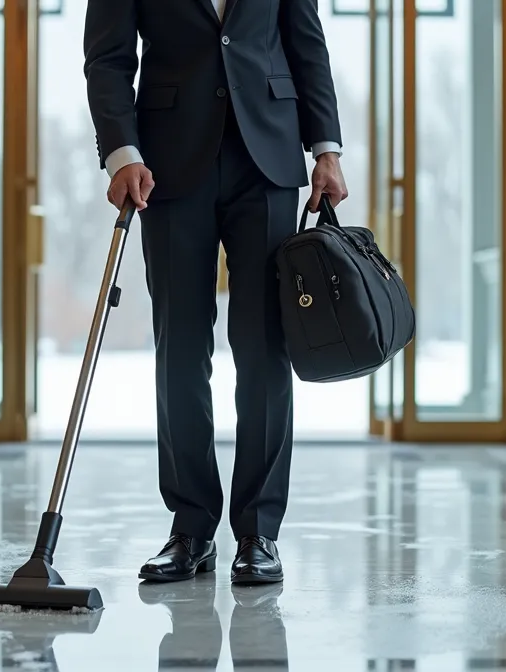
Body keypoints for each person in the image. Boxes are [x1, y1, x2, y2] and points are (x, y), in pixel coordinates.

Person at [84, 0, 347, 585]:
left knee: (264, 351)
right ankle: (192, 527)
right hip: (168, 165)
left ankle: (259, 532)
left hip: (270, 160)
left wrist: (325, 147)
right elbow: (107, 59)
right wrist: (121, 153)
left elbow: (307, 44)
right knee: (179, 348)